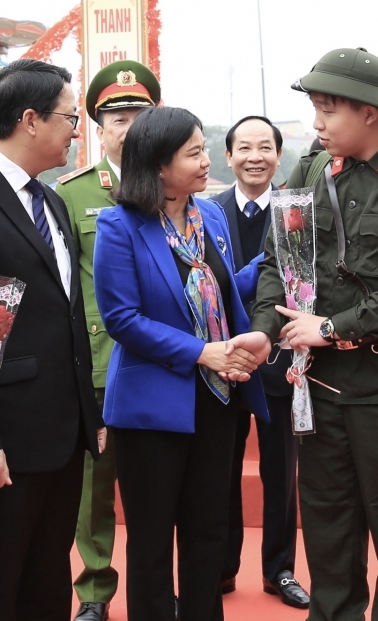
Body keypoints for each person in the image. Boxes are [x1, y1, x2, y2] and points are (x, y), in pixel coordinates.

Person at [251, 48, 378, 621]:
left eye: (326, 110)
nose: (316, 123)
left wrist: (334, 327)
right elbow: (278, 260)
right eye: (314, 109)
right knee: (329, 536)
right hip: (320, 391)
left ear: (370, 112)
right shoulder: (312, 171)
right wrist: (267, 331)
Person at [0, 59, 104, 620]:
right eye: (69, 116)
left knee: (45, 584)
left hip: (60, 435)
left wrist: (88, 415)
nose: (75, 130)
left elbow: (65, 317)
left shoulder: (51, 199)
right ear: (30, 120)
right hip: (4, 436)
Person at [94, 106, 271, 621]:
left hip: (217, 399)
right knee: (151, 540)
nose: (206, 159)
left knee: (208, 529)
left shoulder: (209, 215)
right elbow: (121, 319)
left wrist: (273, 256)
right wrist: (200, 351)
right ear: (158, 163)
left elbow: (220, 292)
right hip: (152, 407)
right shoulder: (119, 225)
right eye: (193, 151)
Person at [57, 59, 161, 621]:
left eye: (138, 114)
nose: (127, 126)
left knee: (157, 487)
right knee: (93, 488)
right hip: (100, 362)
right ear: (98, 126)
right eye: (115, 116)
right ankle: (94, 591)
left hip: (165, 364)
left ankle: (154, 584)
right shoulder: (71, 196)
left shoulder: (176, 189)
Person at [214, 116, 309, 609]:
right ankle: (222, 568)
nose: (256, 156)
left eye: (266, 147)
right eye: (245, 147)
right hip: (224, 363)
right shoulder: (207, 213)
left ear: (278, 155)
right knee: (221, 472)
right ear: (227, 156)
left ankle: (281, 570)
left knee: (281, 473)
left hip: (279, 364)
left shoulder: (296, 214)